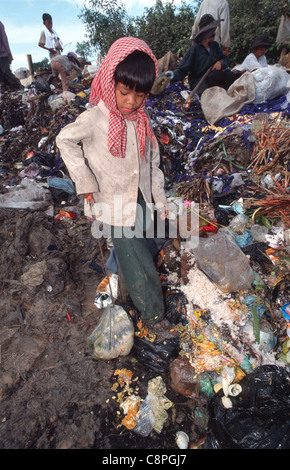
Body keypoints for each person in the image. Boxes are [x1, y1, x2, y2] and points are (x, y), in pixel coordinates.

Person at [56, 37, 168, 325]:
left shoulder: (142, 119)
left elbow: (152, 160)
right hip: (113, 203)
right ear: (110, 82)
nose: (132, 102)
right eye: (125, 92)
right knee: (136, 259)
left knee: (145, 245)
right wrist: (85, 182)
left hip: (140, 196)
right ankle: (154, 316)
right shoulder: (95, 118)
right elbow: (65, 141)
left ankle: (128, 292)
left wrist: (159, 197)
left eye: (140, 95)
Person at [172, 14, 237, 94]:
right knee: (215, 75)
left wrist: (220, 63)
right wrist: (170, 77)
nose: (215, 34)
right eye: (212, 32)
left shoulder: (215, 46)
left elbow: (225, 59)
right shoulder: (195, 49)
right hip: (200, 84)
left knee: (229, 75)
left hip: (214, 80)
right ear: (206, 33)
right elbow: (182, 69)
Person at [0, 21, 23, 90]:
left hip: (3, 55)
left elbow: (4, 39)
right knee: (1, 77)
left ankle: (19, 87)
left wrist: (9, 53)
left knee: (7, 73)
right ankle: (6, 91)